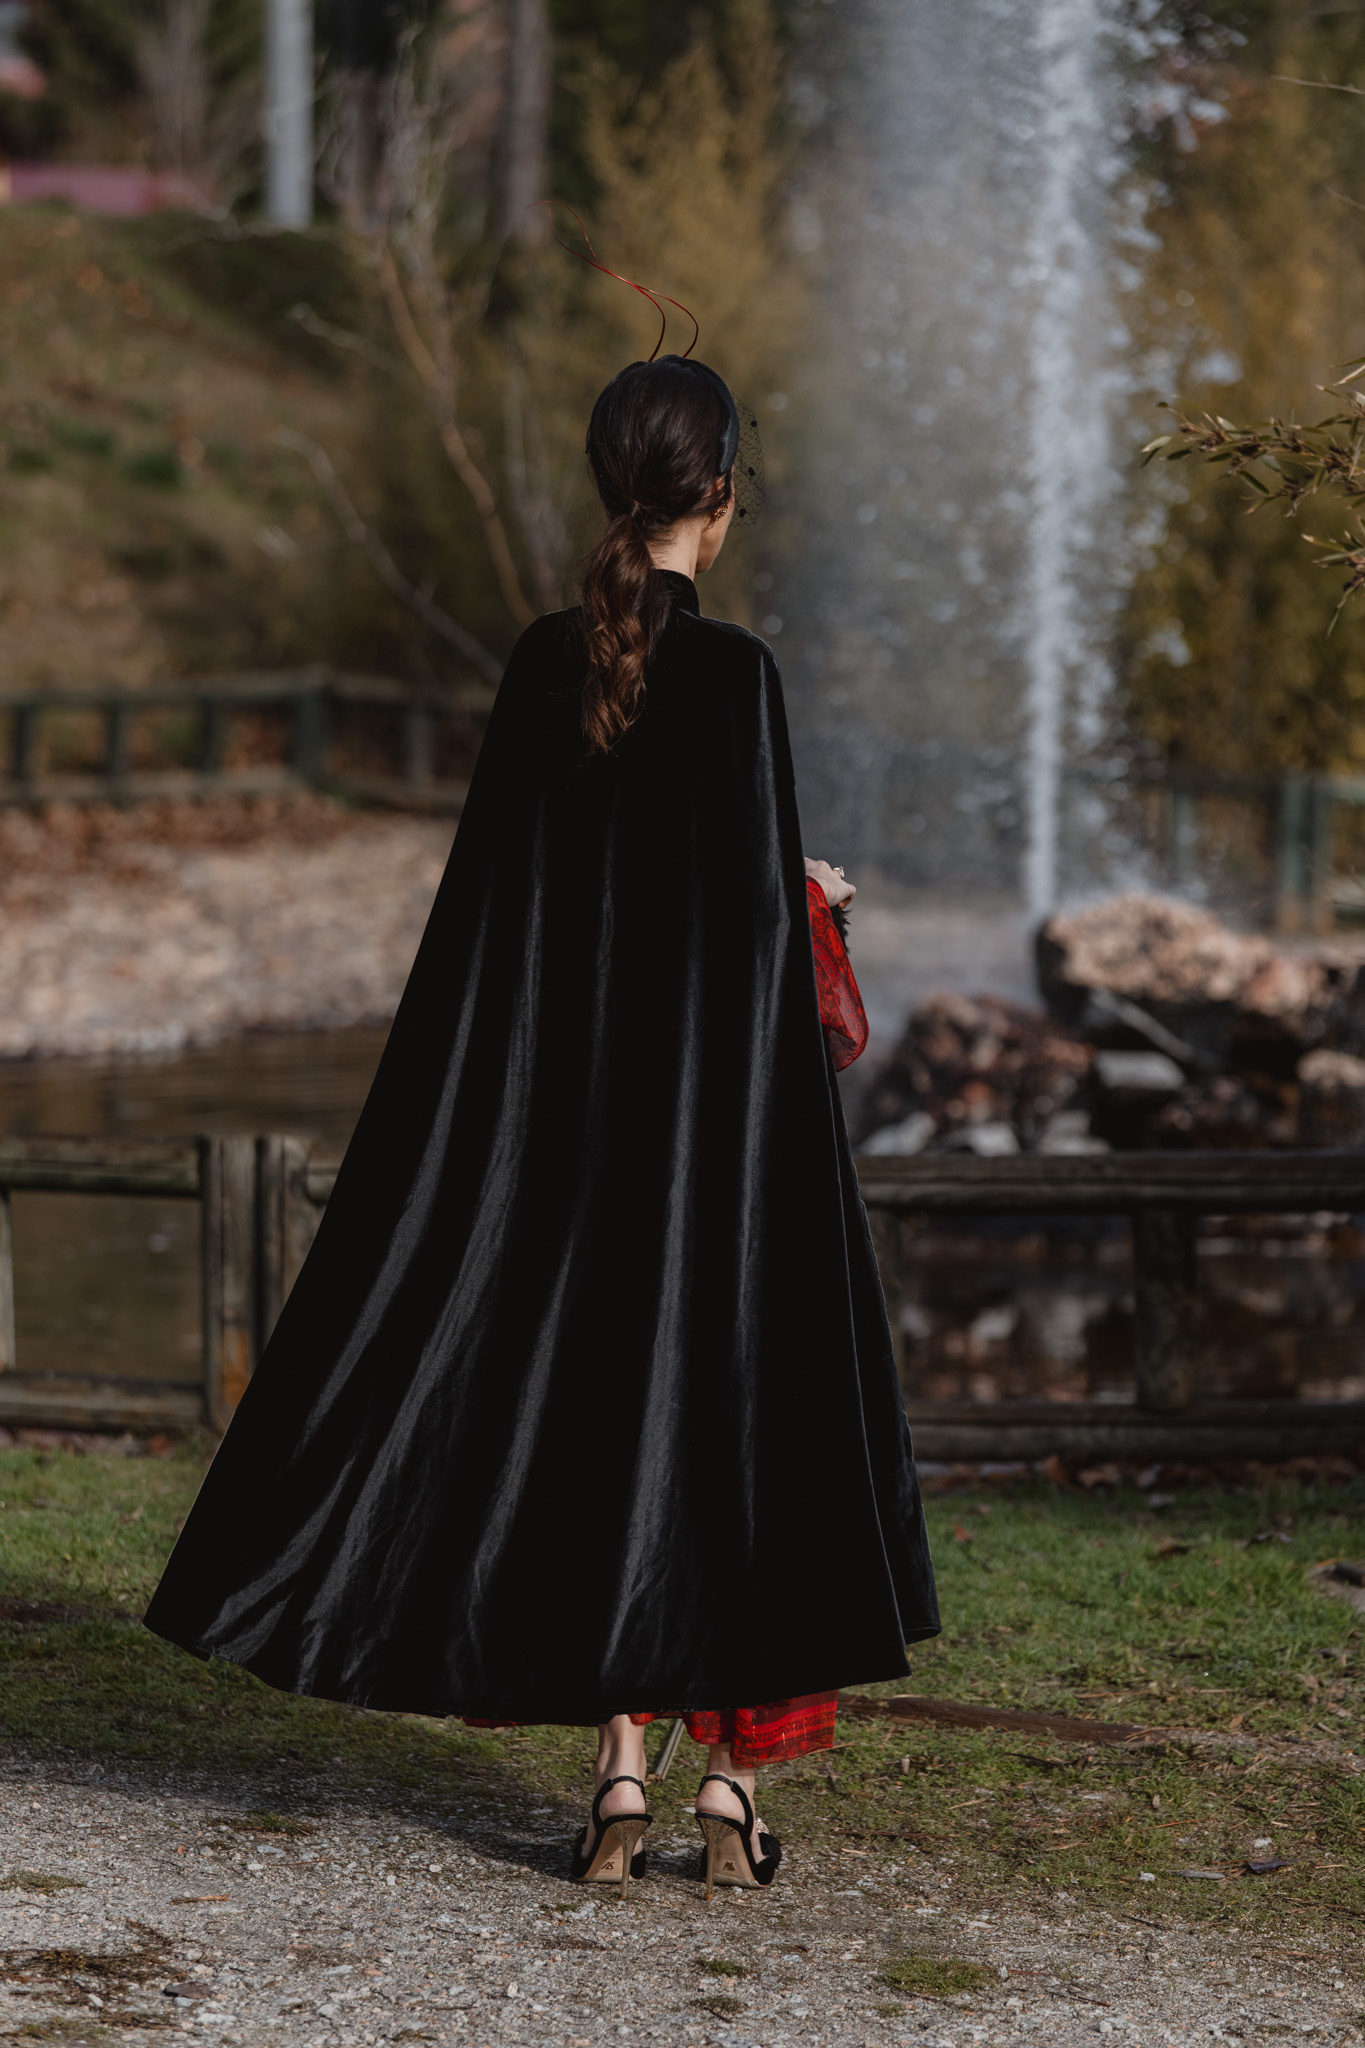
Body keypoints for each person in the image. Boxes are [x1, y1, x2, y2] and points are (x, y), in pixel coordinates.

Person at [145, 352, 939, 1902]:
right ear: (714, 497)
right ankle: (727, 1796)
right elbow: (742, 952)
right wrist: (811, 901)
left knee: (595, 1428)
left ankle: (616, 1777)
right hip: (714, 1153)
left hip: (569, 1151)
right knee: (724, 1431)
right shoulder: (742, 680)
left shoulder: (535, 667)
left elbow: (509, 930)